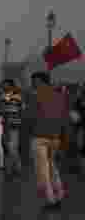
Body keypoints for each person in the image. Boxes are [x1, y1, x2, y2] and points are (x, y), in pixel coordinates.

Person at [24, 71, 71, 209]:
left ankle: (50, 199)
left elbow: (29, 117)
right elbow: (64, 118)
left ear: (39, 81)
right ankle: (60, 193)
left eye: (33, 81)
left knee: (43, 169)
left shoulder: (35, 96)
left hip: (39, 136)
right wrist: (64, 138)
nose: (32, 84)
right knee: (52, 166)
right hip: (55, 137)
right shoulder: (60, 96)